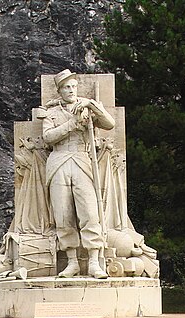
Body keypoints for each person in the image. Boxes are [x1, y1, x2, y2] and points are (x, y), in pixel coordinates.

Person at [42, 69, 115, 278]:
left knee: (90, 213)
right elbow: (48, 137)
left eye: (73, 86)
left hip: (82, 160)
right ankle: (72, 262)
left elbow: (110, 124)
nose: (71, 90)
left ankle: (94, 261)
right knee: (63, 215)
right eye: (66, 87)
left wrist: (92, 106)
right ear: (59, 91)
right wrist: (72, 124)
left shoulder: (87, 108)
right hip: (59, 161)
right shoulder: (51, 112)